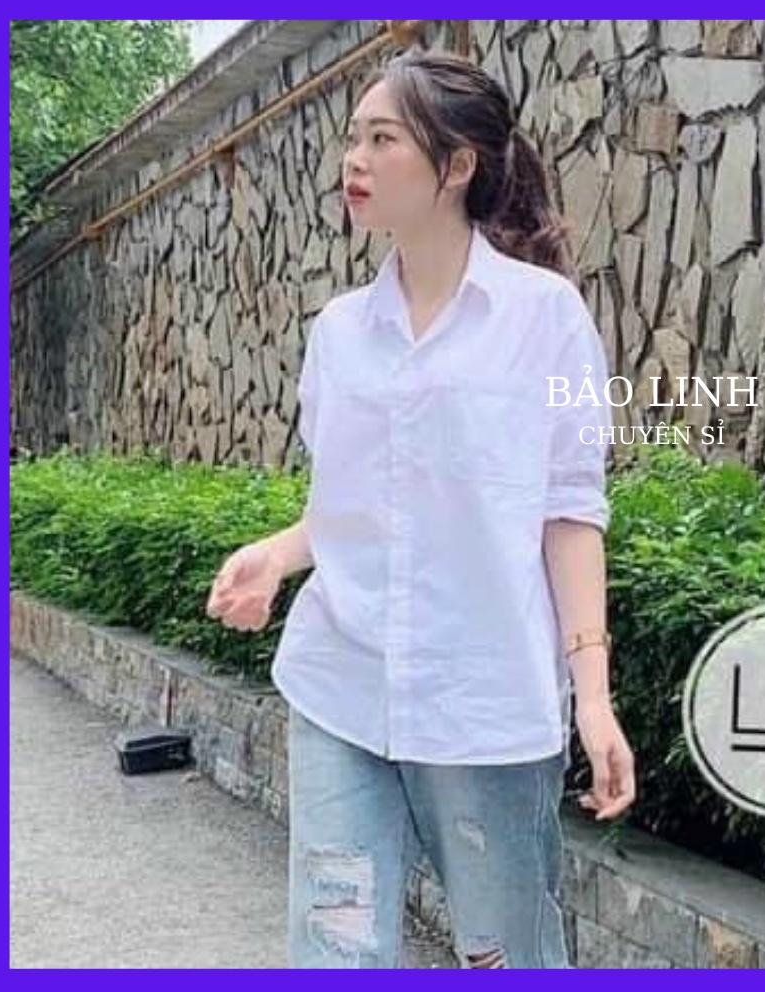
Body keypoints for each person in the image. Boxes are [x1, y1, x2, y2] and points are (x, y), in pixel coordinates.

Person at [206, 48, 636, 969]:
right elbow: (359, 509)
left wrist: (594, 701)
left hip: (484, 701)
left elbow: (568, 512)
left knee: (507, 957)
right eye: (352, 138)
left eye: (382, 139)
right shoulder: (339, 334)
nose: (353, 160)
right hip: (341, 685)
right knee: (335, 952)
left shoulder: (546, 319)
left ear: (456, 165)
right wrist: (279, 554)